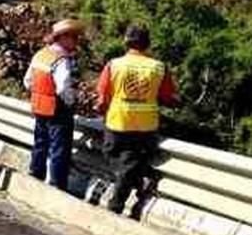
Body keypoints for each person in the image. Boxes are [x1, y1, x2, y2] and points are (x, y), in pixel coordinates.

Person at [97, 24, 181, 213]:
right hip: (146, 126)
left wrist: (103, 111)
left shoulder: (114, 65)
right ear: (148, 44)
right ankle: (142, 179)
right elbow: (169, 97)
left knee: (116, 158)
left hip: (117, 122)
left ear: (125, 42)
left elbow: (102, 98)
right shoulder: (159, 67)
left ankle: (116, 204)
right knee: (130, 163)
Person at [24, 19, 84, 191]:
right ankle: (57, 184)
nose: (76, 41)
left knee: (40, 143)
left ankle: (35, 174)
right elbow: (63, 86)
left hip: (39, 106)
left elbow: (28, 81)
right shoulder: (62, 60)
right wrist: (71, 102)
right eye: (73, 37)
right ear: (63, 37)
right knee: (59, 149)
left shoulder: (40, 54)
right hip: (57, 109)